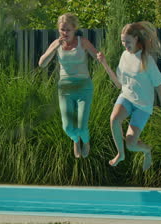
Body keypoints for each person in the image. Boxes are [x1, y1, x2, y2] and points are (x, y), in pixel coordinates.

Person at [97, 21, 161, 171]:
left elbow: (158, 86)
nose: (125, 44)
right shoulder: (124, 56)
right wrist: (105, 64)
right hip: (126, 97)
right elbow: (119, 84)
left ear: (136, 39)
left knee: (131, 144)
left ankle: (147, 150)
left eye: (128, 41)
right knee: (114, 119)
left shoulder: (146, 59)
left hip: (143, 106)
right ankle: (120, 154)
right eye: (122, 41)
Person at [39, 13, 112, 158]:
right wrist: (54, 49)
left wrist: (100, 57)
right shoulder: (56, 44)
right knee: (67, 127)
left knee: (82, 126)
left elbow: (96, 56)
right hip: (65, 89)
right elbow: (41, 64)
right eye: (62, 30)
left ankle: (85, 141)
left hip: (84, 87)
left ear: (74, 29)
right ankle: (75, 139)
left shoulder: (82, 42)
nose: (65, 33)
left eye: (68, 30)